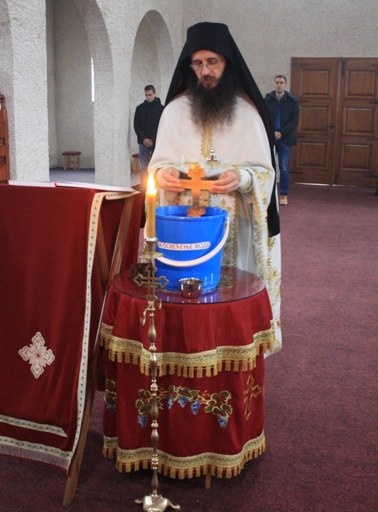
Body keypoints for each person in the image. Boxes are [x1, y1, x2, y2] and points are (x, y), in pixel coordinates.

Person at [149, 22, 281, 350]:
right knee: (183, 299)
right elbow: (157, 167)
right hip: (183, 228)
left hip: (235, 226)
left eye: (212, 62)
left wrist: (244, 178)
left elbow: (265, 174)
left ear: (227, 63)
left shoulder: (248, 114)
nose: (205, 71)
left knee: (229, 296)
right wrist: (163, 175)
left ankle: (234, 348)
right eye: (197, 64)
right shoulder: (174, 112)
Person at [264, 75, 299, 205]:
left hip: (285, 139)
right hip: (270, 138)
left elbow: (294, 120)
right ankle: (268, 194)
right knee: (268, 167)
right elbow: (263, 117)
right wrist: (272, 132)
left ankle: (283, 194)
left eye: (281, 82)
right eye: (277, 82)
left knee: (283, 168)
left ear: (285, 85)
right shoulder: (267, 100)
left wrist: (281, 132)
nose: (279, 85)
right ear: (274, 84)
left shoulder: (292, 101)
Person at [133, 85, 164, 175]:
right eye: (146, 95)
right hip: (143, 142)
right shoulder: (140, 108)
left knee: (156, 165)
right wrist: (144, 139)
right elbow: (136, 125)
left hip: (156, 141)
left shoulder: (161, 109)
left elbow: (162, 126)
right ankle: (144, 183)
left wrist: (154, 139)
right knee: (144, 166)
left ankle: (155, 183)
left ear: (155, 94)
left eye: (150, 95)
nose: (148, 97)